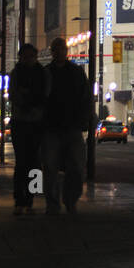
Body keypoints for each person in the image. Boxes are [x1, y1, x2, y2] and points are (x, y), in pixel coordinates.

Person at [42, 37, 91, 214]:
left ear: (66, 51)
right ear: (52, 52)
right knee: (50, 168)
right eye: (56, 49)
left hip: (72, 126)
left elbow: (85, 98)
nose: (60, 52)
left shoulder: (76, 72)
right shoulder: (46, 72)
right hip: (52, 127)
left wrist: (83, 119)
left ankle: (70, 200)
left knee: (77, 167)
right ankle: (53, 204)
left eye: (62, 48)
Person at [9, 42, 46, 216]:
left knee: (34, 162)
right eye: (26, 57)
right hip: (21, 122)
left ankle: (31, 197)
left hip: (36, 122)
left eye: (32, 56)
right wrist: (30, 97)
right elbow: (14, 96)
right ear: (21, 58)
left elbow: (44, 96)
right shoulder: (16, 73)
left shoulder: (42, 73)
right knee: (22, 162)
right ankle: (19, 199)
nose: (29, 60)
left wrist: (27, 95)